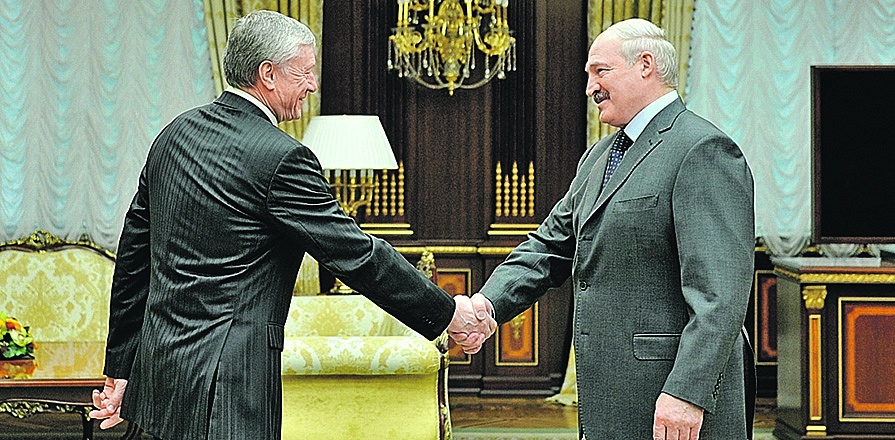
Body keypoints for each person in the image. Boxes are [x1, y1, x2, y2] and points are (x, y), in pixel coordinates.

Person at [88, 10, 494, 440]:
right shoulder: (282, 159)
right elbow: (357, 255)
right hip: (229, 387)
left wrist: (121, 368)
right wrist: (448, 313)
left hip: (159, 380)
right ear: (268, 74)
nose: (313, 85)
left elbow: (133, 260)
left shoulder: (173, 135)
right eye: (305, 72)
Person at [457, 18, 756, 440]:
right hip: (611, 398)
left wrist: (687, 392)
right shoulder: (598, 156)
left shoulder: (703, 149)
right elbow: (549, 245)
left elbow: (719, 296)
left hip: (672, 399)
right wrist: (487, 305)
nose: (590, 87)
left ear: (646, 65)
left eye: (601, 71)